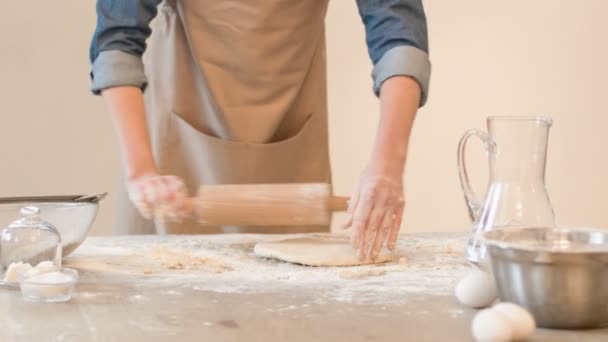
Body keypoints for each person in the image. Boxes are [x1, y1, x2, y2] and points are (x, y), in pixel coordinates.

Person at [90, 0, 430, 261]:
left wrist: (387, 168)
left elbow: (398, 37)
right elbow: (117, 43)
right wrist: (141, 171)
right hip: (180, 146)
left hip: (292, 135)